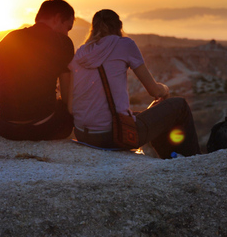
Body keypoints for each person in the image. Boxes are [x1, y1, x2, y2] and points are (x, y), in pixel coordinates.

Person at [69, 9, 201, 158]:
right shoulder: (124, 44)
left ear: (93, 28)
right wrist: (164, 90)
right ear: (119, 26)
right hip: (112, 136)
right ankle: (192, 162)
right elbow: (154, 91)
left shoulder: (80, 52)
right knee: (180, 106)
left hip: (82, 134)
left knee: (147, 115)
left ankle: (171, 160)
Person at [0, 0, 75, 141]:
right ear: (57, 18)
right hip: (42, 128)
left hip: (6, 129)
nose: (67, 33)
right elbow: (67, 99)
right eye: (68, 27)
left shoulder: (8, 39)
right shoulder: (63, 42)